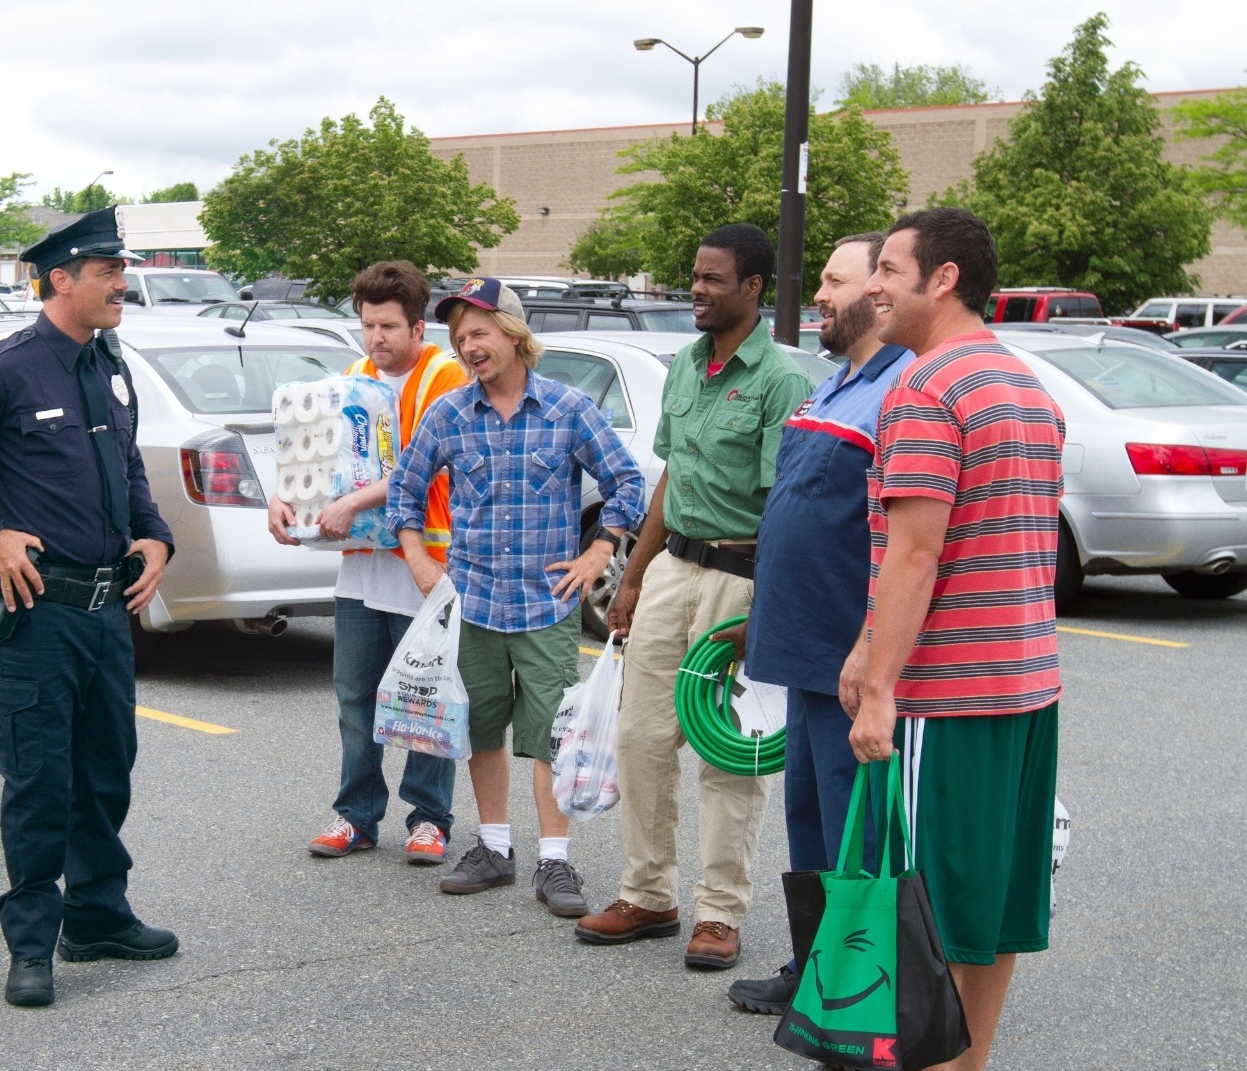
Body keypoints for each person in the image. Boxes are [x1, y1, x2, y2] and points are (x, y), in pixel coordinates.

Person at [0, 207, 178, 1009]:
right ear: (62, 279)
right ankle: (32, 944)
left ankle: (97, 914)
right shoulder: (3, 368)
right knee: (38, 782)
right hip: (35, 614)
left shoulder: (107, 364)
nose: (122, 283)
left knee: (104, 773)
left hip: (103, 612)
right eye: (108, 272)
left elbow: (125, 468)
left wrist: (155, 538)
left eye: (120, 270)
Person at [844, 207, 1064, 1071]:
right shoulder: (1023, 384)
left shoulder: (925, 388)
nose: (873, 286)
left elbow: (919, 551)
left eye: (890, 271)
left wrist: (883, 684)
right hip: (1025, 687)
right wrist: (867, 645)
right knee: (989, 911)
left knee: (920, 915)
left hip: (946, 696)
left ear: (943, 280)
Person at [585, 224, 812, 969]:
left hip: (742, 578)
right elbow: (671, 479)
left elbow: (787, 507)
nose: (697, 289)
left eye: (713, 279)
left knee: (729, 755)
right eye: (694, 275)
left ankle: (720, 914)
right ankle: (648, 894)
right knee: (643, 738)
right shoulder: (683, 364)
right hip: (674, 568)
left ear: (753, 288)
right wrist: (634, 576)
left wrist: (769, 608)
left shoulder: (781, 381)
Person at [387, 279, 645, 918]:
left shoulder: (568, 409)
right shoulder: (449, 414)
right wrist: (420, 560)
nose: (468, 347)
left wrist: (599, 551)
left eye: (479, 333)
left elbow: (628, 482)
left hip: (547, 606)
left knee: (550, 735)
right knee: (480, 731)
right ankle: (495, 848)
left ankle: (554, 860)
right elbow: (404, 492)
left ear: (513, 333)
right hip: (471, 604)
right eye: (459, 338)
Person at [721, 233, 914, 1013]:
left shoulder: (903, 389)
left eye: (833, 282)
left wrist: (873, 648)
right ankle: (814, 969)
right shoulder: (832, 384)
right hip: (798, 645)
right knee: (808, 816)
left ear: (879, 292)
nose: (818, 296)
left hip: (848, 654)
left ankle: (862, 995)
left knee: (855, 827)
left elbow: (906, 540)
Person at [268, 261, 465, 865]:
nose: (375, 339)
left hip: (427, 563)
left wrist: (354, 499)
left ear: (418, 329)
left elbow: (422, 464)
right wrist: (286, 497)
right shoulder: (355, 377)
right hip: (362, 566)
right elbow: (321, 460)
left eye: (387, 327)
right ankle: (356, 814)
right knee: (355, 694)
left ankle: (430, 818)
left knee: (423, 695)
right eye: (366, 326)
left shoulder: (446, 378)